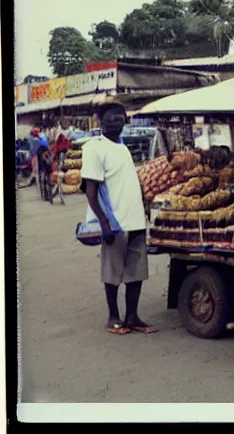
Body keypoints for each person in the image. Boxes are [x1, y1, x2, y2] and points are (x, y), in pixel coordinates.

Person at [81, 102, 158, 336]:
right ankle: (113, 317)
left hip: (136, 222)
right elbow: (90, 191)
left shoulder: (123, 147)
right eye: (110, 118)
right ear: (100, 122)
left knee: (136, 273)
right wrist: (104, 224)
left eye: (120, 118)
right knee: (112, 273)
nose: (115, 122)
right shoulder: (94, 148)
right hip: (115, 224)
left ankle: (132, 316)